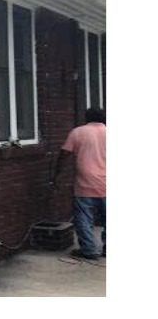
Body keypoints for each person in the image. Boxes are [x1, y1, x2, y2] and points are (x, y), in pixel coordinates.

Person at [52, 108, 106, 260]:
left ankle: (89, 251)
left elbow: (64, 154)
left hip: (85, 183)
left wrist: (57, 175)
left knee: (84, 218)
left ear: (86, 118)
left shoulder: (78, 132)